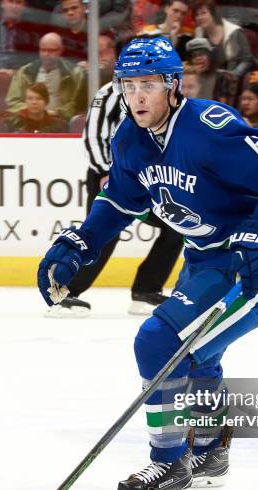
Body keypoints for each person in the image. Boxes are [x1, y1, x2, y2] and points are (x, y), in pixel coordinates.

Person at [37, 37, 258, 490]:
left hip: (254, 266)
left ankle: (170, 463)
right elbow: (120, 202)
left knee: (157, 341)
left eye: (149, 84)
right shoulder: (129, 138)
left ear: (172, 85)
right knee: (199, 354)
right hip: (204, 259)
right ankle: (209, 450)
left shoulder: (208, 128)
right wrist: (81, 241)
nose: (138, 95)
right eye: (129, 85)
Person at [48, 75, 183, 317]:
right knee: (103, 234)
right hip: (113, 175)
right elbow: (93, 136)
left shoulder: (163, 92)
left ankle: (146, 291)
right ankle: (64, 292)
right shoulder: (110, 93)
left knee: (176, 225)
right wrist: (103, 171)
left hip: (148, 175)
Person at [5, 32, 83, 120]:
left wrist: (57, 113)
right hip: (30, 120)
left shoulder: (74, 72)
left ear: (61, 50)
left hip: (62, 121)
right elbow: (12, 101)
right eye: (43, 50)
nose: (46, 54)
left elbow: (77, 103)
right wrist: (33, 111)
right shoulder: (25, 72)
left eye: (51, 50)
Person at [191, 0, 252, 76]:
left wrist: (233, 75)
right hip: (207, 80)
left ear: (213, 14)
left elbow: (246, 60)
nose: (200, 17)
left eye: (203, 13)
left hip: (232, 81)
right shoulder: (198, 34)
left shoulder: (235, 32)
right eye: (197, 15)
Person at [185, 37, 239, 106]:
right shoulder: (187, 80)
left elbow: (223, 107)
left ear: (210, 56)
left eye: (201, 54)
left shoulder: (225, 77)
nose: (198, 58)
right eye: (194, 56)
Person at [2, 81, 67, 131]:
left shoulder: (59, 125)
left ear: (46, 101)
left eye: (39, 99)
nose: (34, 102)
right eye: (30, 98)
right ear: (25, 101)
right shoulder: (13, 123)